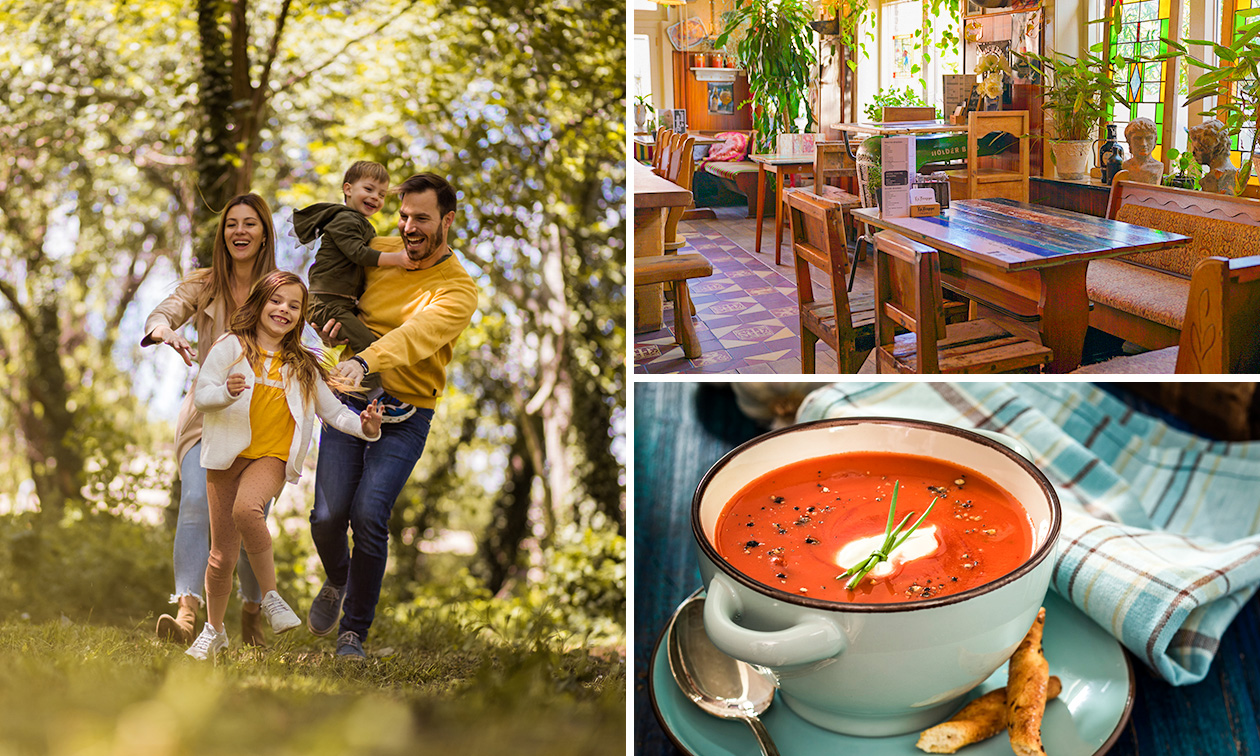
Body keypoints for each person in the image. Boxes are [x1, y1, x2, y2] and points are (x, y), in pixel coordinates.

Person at [308, 173, 478, 660]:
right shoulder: (378, 250)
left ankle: (353, 633)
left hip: (406, 413)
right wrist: (328, 322)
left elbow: (415, 336)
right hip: (350, 398)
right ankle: (340, 579)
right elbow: (327, 286)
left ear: (447, 220)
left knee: (368, 514)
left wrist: (364, 359)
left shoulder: (458, 290)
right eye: (404, 216)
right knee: (325, 516)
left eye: (421, 218)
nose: (409, 227)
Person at [184, 270, 385, 660]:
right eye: (277, 301)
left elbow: (334, 412)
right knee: (221, 555)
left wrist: (365, 427)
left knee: (248, 510)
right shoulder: (231, 347)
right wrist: (225, 392)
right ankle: (213, 630)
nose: (284, 310)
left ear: (300, 316)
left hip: (271, 458)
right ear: (260, 303)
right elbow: (203, 396)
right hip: (226, 456)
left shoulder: (303, 365)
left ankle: (271, 597)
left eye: (294, 306)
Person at [142, 193, 278, 647]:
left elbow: (310, 339)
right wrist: (163, 329)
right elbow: (164, 311)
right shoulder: (204, 283)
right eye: (231, 224)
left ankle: (252, 612)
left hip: (264, 419)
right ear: (223, 235)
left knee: (248, 515)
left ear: (264, 234)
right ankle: (186, 615)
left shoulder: (280, 289)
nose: (239, 231)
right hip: (208, 413)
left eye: (249, 224)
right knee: (197, 503)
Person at [292, 160, 421, 420]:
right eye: (369, 189)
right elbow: (357, 253)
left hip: (337, 302)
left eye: (382, 195)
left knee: (363, 339)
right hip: (325, 302)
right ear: (348, 189)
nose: (375, 198)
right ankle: (377, 398)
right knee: (368, 344)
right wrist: (396, 258)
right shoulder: (344, 219)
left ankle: (346, 386)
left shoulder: (358, 222)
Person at [1189, 119, 1237, 195]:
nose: (1193, 153)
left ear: (1214, 150)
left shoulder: (1216, 179)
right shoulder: (1234, 173)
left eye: (1198, 149)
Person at [1122, 118, 1164, 185]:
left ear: (1155, 140)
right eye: (1138, 138)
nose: (1143, 144)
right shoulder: (1124, 166)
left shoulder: (1158, 167)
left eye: (1149, 138)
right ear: (1129, 141)